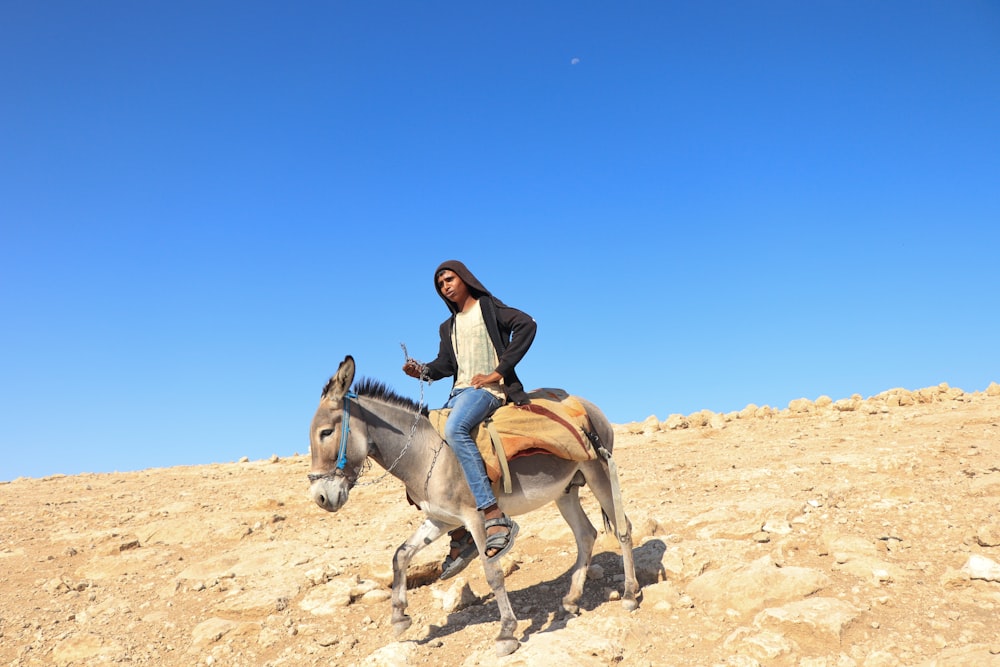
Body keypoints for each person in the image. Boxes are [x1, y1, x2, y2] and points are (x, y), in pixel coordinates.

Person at [403, 260, 537, 579]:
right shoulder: (447, 327)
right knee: (426, 447)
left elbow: (528, 324)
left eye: (449, 279)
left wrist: (498, 372)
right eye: (440, 285)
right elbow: (445, 365)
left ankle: (494, 515)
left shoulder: (489, 308)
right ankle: (460, 533)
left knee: (455, 428)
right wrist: (422, 370)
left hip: (488, 391)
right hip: (458, 393)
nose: (445, 286)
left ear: (464, 278)